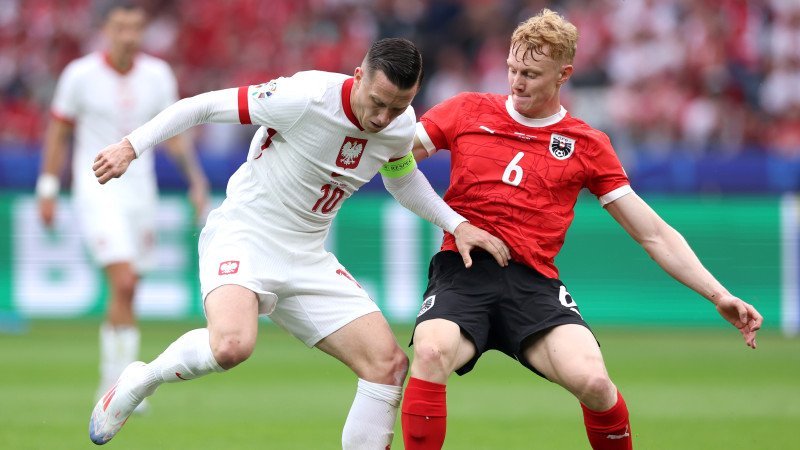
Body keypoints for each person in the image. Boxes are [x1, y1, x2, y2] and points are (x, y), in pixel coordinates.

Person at [87, 37, 510, 448]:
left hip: (307, 256)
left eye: (396, 106)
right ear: (359, 75)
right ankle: (140, 380)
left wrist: (455, 224)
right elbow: (202, 106)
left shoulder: (399, 124)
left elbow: (400, 180)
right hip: (244, 235)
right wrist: (130, 146)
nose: (382, 117)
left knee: (387, 365)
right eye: (377, 102)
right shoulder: (305, 95)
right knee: (232, 346)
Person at [400, 8, 764, 450]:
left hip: (532, 284)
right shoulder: (465, 109)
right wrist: (453, 223)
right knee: (431, 350)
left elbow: (652, 233)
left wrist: (718, 293)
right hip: (463, 271)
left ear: (563, 74)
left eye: (531, 73)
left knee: (594, 382)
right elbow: (395, 161)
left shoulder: (586, 143)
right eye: (513, 68)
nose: (516, 82)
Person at [36, 0, 208, 413]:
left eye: (135, 28)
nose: (128, 36)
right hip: (96, 190)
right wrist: (47, 187)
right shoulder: (80, 76)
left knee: (131, 290)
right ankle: (119, 384)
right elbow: (59, 131)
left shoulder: (157, 76)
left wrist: (195, 180)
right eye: (120, 28)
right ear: (105, 30)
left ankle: (115, 378)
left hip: (140, 194)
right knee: (125, 281)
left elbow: (175, 134)